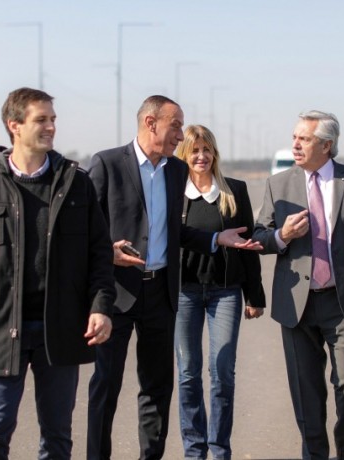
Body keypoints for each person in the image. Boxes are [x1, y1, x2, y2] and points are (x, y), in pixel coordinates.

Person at [87, 95, 260, 460]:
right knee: (106, 386)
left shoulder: (174, 171)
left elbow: (176, 233)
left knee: (157, 389)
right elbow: (86, 230)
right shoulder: (106, 163)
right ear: (151, 123)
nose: (180, 135)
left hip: (161, 294)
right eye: (176, 125)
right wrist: (107, 252)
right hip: (116, 294)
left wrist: (216, 238)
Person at [0, 87, 116, 459]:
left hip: (58, 328)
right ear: (15, 126)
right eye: (41, 120)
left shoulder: (77, 184)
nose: (51, 127)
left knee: (57, 436)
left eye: (53, 120)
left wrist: (101, 306)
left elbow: (99, 255)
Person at [252, 110, 344, 460]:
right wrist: (281, 236)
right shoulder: (278, 184)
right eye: (295, 137)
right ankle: (315, 454)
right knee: (306, 389)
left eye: (305, 138)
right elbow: (259, 236)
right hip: (296, 302)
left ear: (327, 145)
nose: (296, 144)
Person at [173, 125, 266, 460]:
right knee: (187, 374)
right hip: (184, 293)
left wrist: (255, 296)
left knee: (222, 371)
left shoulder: (234, 191)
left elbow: (248, 246)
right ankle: (194, 450)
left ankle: (219, 450)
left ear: (215, 154)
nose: (201, 157)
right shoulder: (173, 192)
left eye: (207, 150)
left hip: (225, 293)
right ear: (183, 153)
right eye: (194, 150)